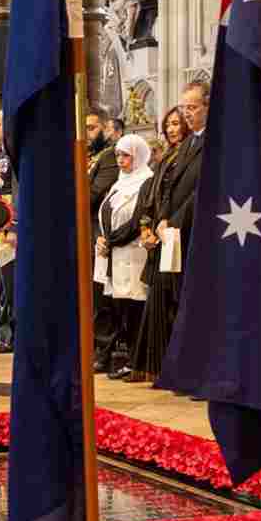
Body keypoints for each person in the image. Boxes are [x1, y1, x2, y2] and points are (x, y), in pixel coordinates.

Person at [117, 84, 208, 383]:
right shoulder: (184, 147)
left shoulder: (212, 141)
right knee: (170, 304)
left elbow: (201, 190)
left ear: (208, 106)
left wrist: (172, 222)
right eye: (183, 108)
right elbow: (165, 190)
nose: (185, 114)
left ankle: (192, 370)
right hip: (169, 234)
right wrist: (159, 221)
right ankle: (173, 368)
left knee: (189, 304)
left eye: (191, 108)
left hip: (192, 232)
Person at [94, 135, 154, 378]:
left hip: (133, 252)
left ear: (138, 156)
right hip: (114, 253)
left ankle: (138, 363)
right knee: (121, 308)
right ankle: (128, 357)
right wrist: (101, 236)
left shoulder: (146, 181)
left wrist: (111, 240)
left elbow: (137, 220)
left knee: (136, 308)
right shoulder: (119, 183)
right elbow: (105, 213)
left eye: (126, 155)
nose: (121, 160)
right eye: (118, 155)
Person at [87, 107, 120, 373]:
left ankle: (104, 350)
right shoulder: (83, 155)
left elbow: (94, 193)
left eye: (92, 128)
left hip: (96, 233)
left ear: (105, 128)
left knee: (100, 297)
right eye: (84, 128)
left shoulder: (109, 157)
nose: (87, 134)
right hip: (78, 232)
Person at [0, 110, 16, 354]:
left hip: (9, 224)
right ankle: (2, 333)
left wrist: (12, 224)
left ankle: (10, 334)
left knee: (10, 283)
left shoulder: (14, 153)